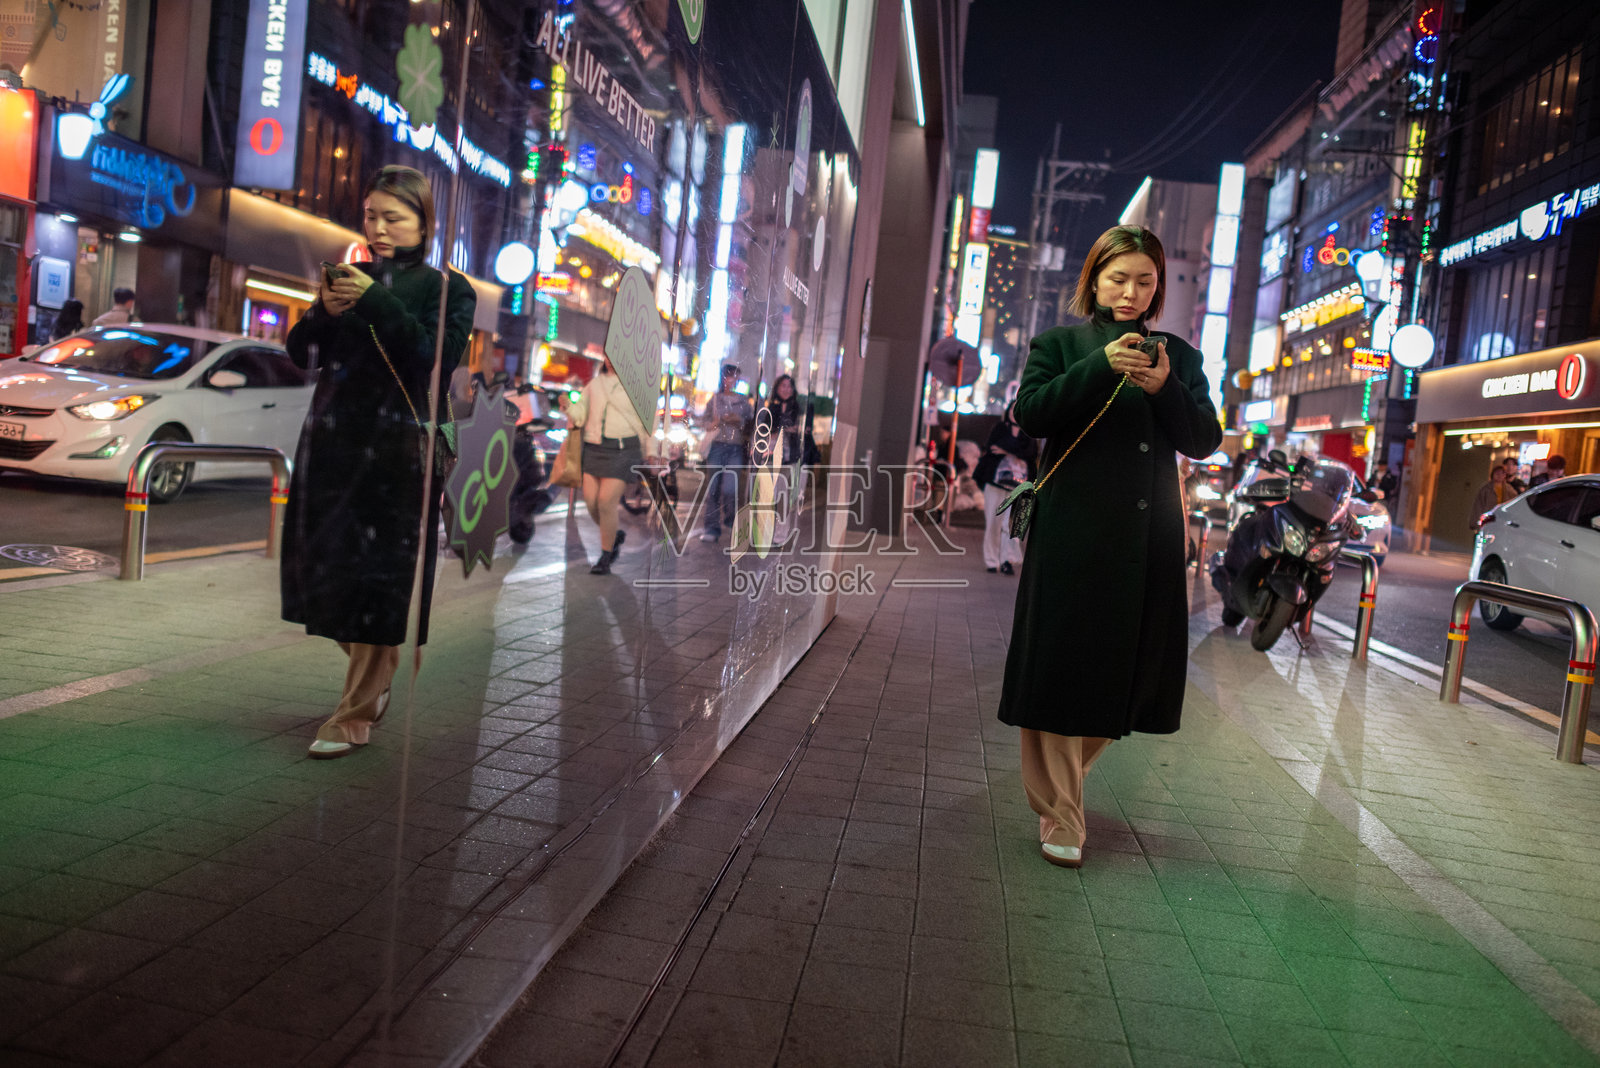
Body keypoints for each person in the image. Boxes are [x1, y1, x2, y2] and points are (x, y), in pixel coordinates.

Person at [996, 225, 1221, 870]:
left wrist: (1163, 389)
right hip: (1072, 533)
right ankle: (1062, 811)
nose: (1131, 291)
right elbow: (1031, 413)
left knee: (1127, 671)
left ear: (1158, 287)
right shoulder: (1063, 343)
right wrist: (1100, 368)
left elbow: (1204, 438)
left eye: (1145, 280)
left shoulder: (1178, 354)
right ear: (1093, 279)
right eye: (1118, 278)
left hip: (1148, 539)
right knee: (1064, 668)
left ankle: (1061, 791)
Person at [281, 165, 476, 760]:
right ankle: (380, 665)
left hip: (395, 455)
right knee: (322, 574)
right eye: (371, 215)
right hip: (332, 446)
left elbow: (432, 357)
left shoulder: (448, 289)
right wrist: (322, 311)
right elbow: (302, 356)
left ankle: (355, 713)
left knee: (373, 583)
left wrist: (377, 300)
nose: (379, 228)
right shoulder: (352, 276)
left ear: (424, 222)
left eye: (394, 217)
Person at [561, 357, 647, 574]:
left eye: (614, 354)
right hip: (594, 449)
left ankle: (606, 556)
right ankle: (614, 535)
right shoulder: (595, 384)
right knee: (591, 502)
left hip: (623, 450)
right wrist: (569, 407)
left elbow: (647, 421)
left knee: (606, 502)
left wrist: (652, 452)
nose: (610, 359)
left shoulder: (636, 386)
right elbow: (580, 416)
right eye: (607, 355)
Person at [973, 402, 1035, 575]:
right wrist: (1014, 450)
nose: (1014, 412)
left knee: (1012, 525)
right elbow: (992, 446)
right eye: (1012, 408)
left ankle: (1006, 560)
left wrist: (1005, 449)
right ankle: (991, 561)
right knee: (993, 524)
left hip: (1019, 486)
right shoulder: (1000, 428)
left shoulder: (1028, 431)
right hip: (995, 483)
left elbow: (1030, 452)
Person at [699, 363, 749, 543]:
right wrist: (714, 422)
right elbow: (704, 422)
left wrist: (739, 420)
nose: (730, 380)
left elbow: (751, 424)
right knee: (713, 489)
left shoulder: (743, 401)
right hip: (717, 446)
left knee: (730, 488)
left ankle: (730, 518)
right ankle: (712, 528)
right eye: (727, 376)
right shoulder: (715, 399)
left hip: (735, 447)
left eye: (734, 376)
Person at [759, 374, 802, 466]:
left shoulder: (796, 407)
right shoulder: (771, 406)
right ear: (777, 388)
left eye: (789, 386)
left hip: (791, 452)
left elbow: (798, 428)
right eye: (783, 385)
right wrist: (785, 429)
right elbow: (766, 428)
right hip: (771, 450)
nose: (786, 389)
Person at [1470, 463, 1513, 532]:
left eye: (1502, 473)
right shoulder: (1486, 489)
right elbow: (1478, 506)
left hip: (1502, 521)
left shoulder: (1509, 489)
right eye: (1497, 473)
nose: (1499, 475)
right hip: (1488, 520)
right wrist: (1475, 523)